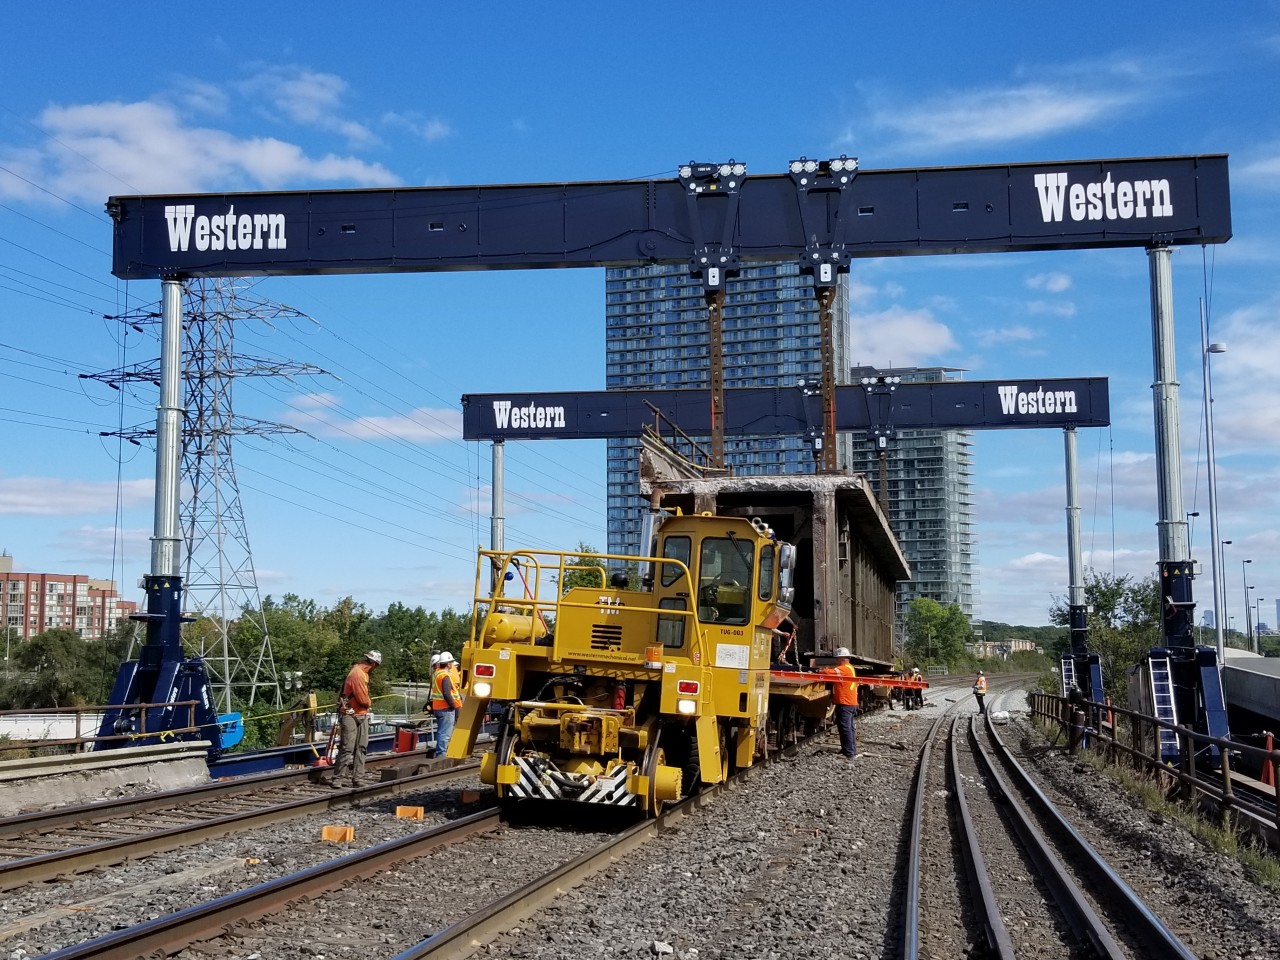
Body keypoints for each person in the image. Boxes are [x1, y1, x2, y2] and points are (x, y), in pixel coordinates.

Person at [332, 650, 381, 787]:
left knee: (361, 746)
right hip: (350, 714)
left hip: (360, 714)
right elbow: (362, 698)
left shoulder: (362, 673)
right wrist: (369, 703)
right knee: (348, 747)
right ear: (373, 663)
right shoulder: (357, 674)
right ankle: (338, 778)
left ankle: (357, 777)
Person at [823, 646, 860, 759]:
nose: (836, 661)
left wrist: (821, 670)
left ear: (842, 659)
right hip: (849, 702)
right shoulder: (850, 668)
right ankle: (848, 750)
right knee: (848, 727)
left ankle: (849, 753)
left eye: (837, 659)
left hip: (846, 703)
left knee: (845, 728)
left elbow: (830, 673)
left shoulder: (844, 668)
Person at [431, 650, 464, 757]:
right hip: (446, 709)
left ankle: (440, 752)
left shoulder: (437, 673)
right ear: (448, 663)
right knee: (444, 733)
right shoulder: (445, 675)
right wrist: (453, 705)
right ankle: (441, 754)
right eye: (451, 662)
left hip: (438, 707)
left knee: (441, 731)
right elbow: (446, 693)